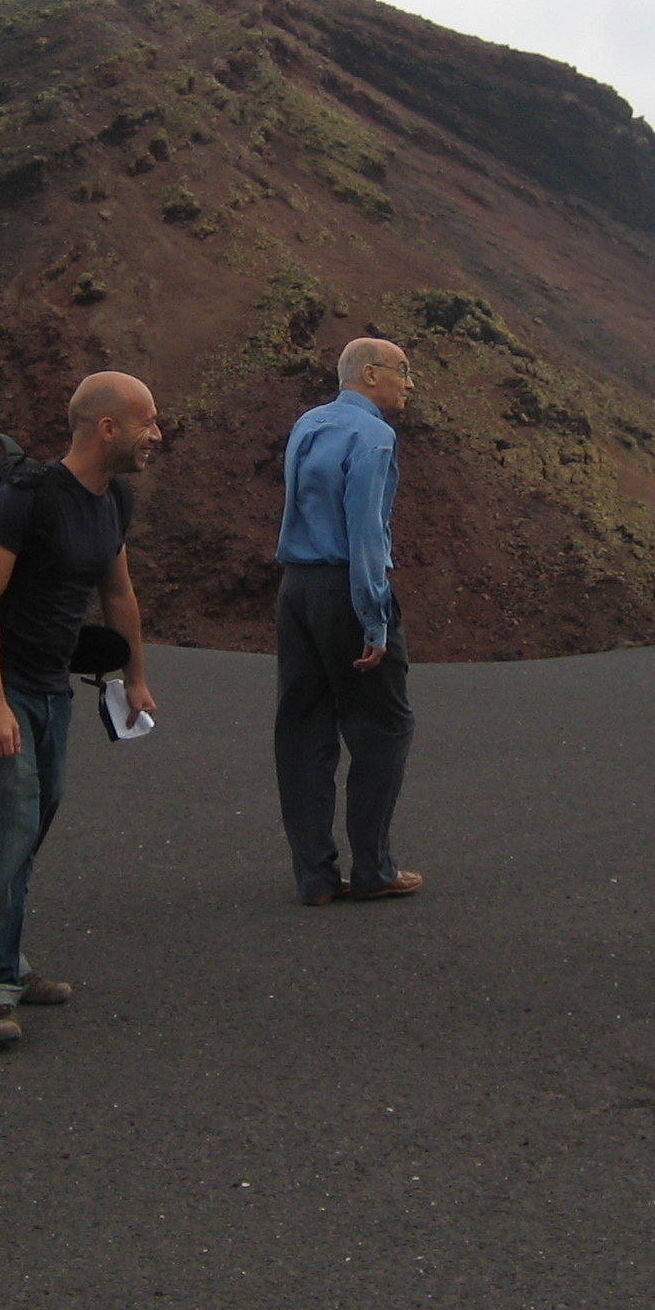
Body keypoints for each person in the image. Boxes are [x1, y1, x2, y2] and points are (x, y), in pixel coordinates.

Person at [0, 371, 160, 1048]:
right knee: (7, 824)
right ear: (107, 428)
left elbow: (119, 593)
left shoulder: (112, 499)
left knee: (34, 819)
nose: (155, 436)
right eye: (146, 423)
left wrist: (135, 676)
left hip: (52, 682)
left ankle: (7, 959)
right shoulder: (27, 496)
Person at [273, 336, 422, 906]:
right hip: (345, 588)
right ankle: (374, 869)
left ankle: (313, 876)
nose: (410, 384)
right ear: (369, 374)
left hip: (296, 589)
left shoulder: (308, 423)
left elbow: (297, 505)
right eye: (403, 371)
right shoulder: (374, 436)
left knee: (303, 729)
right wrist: (374, 619)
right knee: (384, 726)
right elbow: (364, 534)